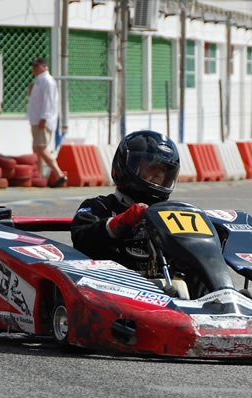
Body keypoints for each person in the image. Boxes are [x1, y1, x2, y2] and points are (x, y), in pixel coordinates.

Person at [71, 130, 180, 270]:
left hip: (163, 284)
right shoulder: (98, 206)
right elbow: (82, 241)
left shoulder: (168, 214)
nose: (159, 174)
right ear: (128, 166)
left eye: (164, 170)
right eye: (152, 166)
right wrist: (121, 222)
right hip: (111, 283)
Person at [26, 57, 67, 188]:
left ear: (44, 66)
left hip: (42, 120)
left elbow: (49, 102)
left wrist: (44, 118)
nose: (34, 69)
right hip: (36, 119)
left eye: (36, 66)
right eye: (33, 66)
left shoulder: (47, 81)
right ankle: (39, 175)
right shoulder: (38, 81)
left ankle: (59, 174)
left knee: (41, 148)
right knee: (37, 149)